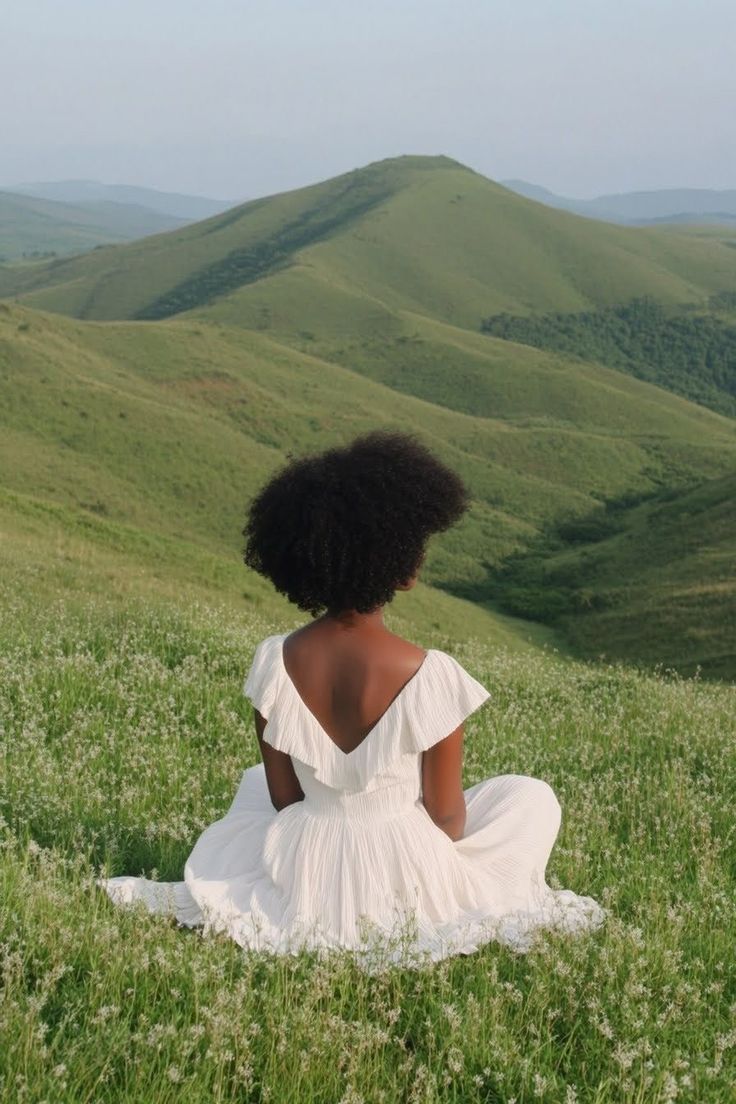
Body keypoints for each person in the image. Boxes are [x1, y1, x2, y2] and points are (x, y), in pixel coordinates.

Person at [98, 430, 605, 967]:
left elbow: (284, 799)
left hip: (307, 850)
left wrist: (329, 833)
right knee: (530, 797)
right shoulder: (430, 674)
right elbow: (446, 818)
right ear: (398, 562)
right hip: (406, 862)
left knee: (250, 784)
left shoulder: (275, 662)